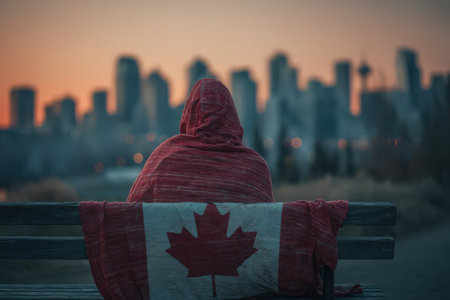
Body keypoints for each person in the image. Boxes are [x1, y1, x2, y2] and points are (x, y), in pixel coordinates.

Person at [127, 78, 273, 203]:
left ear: (189, 113)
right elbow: (269, 227)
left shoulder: (163, 160)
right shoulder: (255, 168)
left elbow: (132, 218)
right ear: (232, 115)